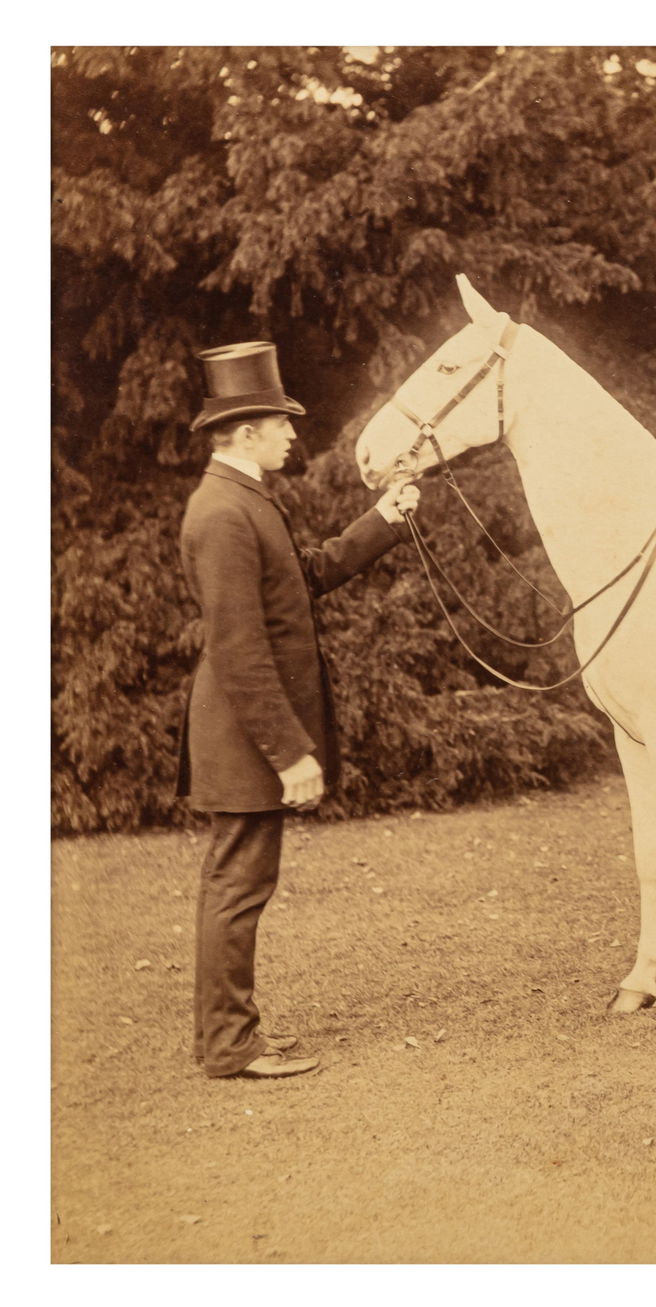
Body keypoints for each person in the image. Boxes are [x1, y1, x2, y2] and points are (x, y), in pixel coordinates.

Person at [177, 341, 419, 1080]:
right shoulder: (223, 512)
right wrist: (289, 753)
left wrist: (383, 519)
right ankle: (230, 1045)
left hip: (243, 732)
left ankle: (227, 1035)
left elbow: (303, 577)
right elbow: (239, 649)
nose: (291, 433)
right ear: (246, 431)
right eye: (281, 422)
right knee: (237, 885)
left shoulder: (242, 498)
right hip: (244, 735)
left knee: (237, 883)